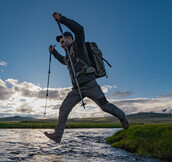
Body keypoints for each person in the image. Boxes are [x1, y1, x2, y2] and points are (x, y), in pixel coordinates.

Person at [44, 12, 129, 143]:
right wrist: (53, 52)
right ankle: (57, 135)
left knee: (105, 106)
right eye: (60, 43)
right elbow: (63, 60)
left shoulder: (79, 46)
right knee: (64, 108)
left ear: (70, 39)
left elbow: (80, 29)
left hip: (90, 85)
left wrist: (62, 19)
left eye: (63, 41)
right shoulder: (68, 56)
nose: (61, 44)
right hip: (76, 89)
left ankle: (122, 117)